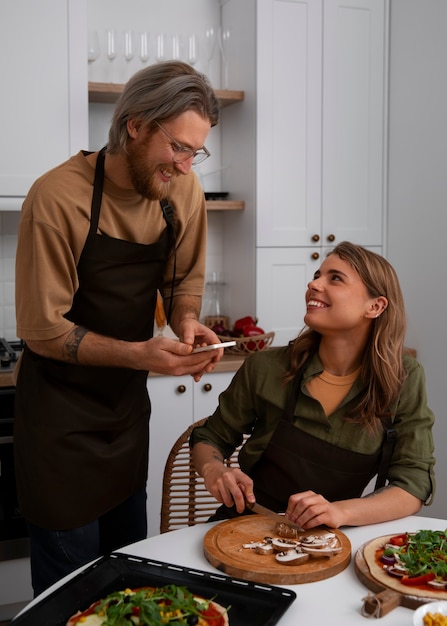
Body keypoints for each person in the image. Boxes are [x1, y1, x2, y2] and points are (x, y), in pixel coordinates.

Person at [14, 61, 224, 596]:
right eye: (177, 146)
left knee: (130, 584)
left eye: (195, 152)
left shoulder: (182, 189)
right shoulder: (56, 197)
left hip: (126, 418)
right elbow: (43, 333)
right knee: (71, 596)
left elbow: (184, 283)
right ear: (135, 124)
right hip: (59, 426)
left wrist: (185, 325)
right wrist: (143, 355)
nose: (184, 164)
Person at [190, 241, 435, 530]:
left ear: (375, 306)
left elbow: (414, 482)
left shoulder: (403, 378)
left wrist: (340, 513)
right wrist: (213, 469)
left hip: (332, 540)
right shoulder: (265, 368)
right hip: (245, 527)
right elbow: (211, 437)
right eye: (317, 275)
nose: (313, 283)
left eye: (335, 278)